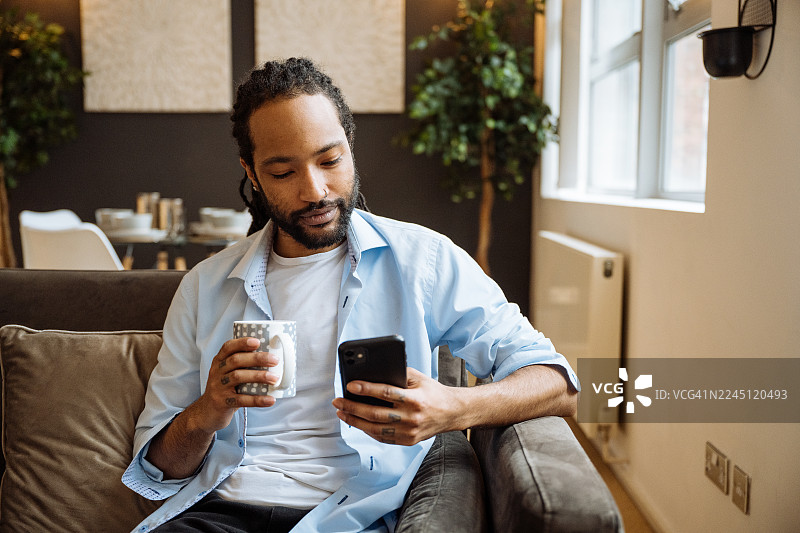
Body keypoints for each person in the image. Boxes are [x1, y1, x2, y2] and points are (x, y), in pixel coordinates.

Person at [123, 57, 579, 533]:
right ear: (252, 173)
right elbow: (159, 468)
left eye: (330, 160)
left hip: (350, 516)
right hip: (220, 515)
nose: (315, 191)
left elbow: (556, 382)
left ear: (350, 147)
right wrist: (208, 409)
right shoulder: (205, 286)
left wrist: (453, 408)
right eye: (283, 172)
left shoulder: (422, 260)